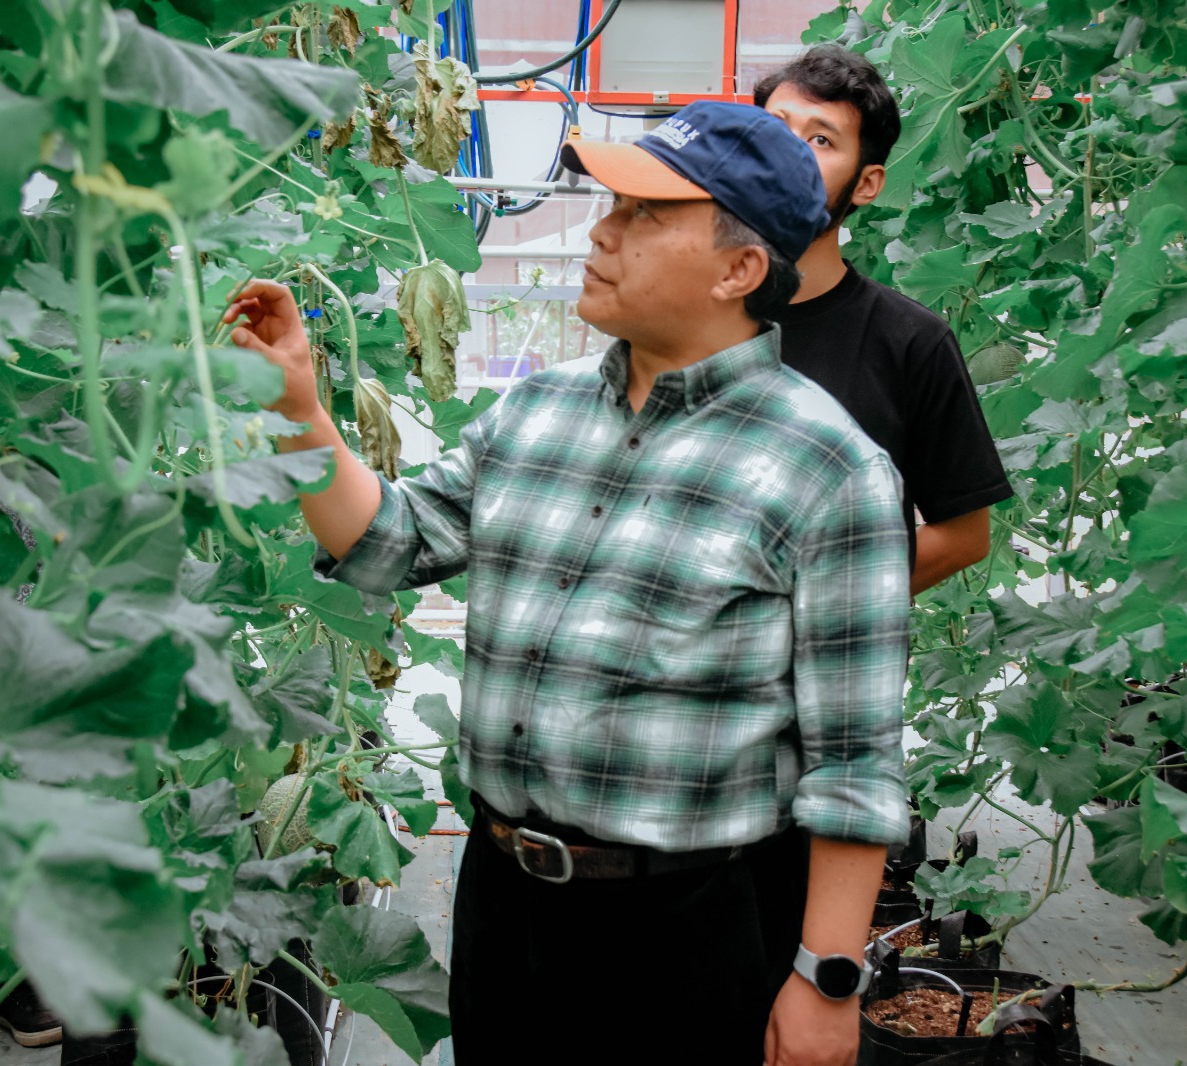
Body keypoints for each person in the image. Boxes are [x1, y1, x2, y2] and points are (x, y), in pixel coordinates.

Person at [224, 102, 910, 1065]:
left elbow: (856, 765)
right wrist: (301, 409)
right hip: (505, 901)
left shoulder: (828, 469)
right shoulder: (534, 415)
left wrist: (825, 980)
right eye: (610, 205)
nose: (601, 230)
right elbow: (388, 545)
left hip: (685, 930)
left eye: (643, 214)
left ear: (739, 270)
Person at [755, 45, 1014, 593]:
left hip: (826, 669)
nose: (787, 154)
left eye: (820, 139)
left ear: (867, 184)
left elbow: (965, 535)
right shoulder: (682, 312)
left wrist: (802, 603)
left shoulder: (911, 341)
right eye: (773, 128)